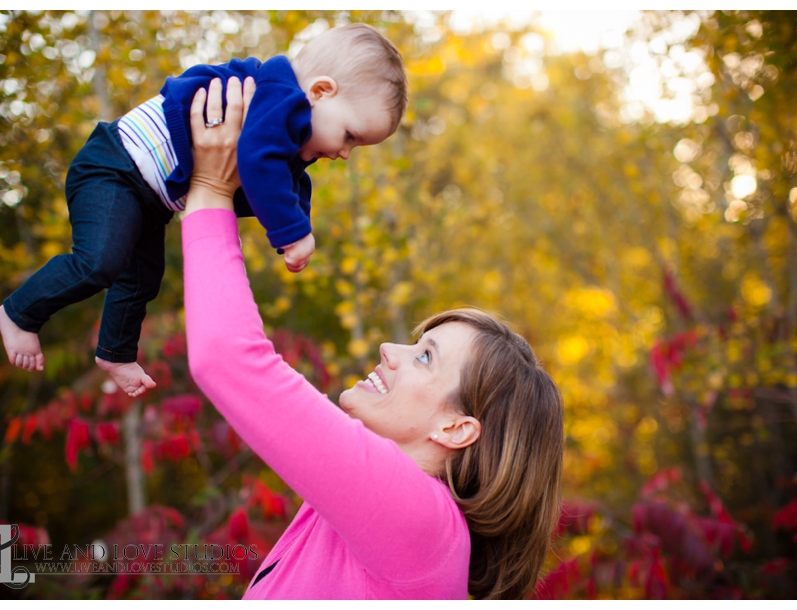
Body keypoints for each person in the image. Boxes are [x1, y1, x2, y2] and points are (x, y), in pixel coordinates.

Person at [182, 76, 564, 599]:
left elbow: (227, 359)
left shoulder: (419, 522)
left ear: (456, 428)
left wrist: (209, 190)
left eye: (425, 357)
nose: (389, 350)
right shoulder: (377, 522)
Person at [0, 23, 406, 397]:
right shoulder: (277, 98)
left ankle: (114, 351)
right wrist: (292, 232)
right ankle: (19, 312)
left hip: (150, 197)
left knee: (142, 281)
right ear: (319, 92)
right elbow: (258, 164)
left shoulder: (290, 128)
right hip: (115, 166)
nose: (346, 153)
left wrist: (298, 225)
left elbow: (290, 180)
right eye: (350, 135)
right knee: (100, 260)